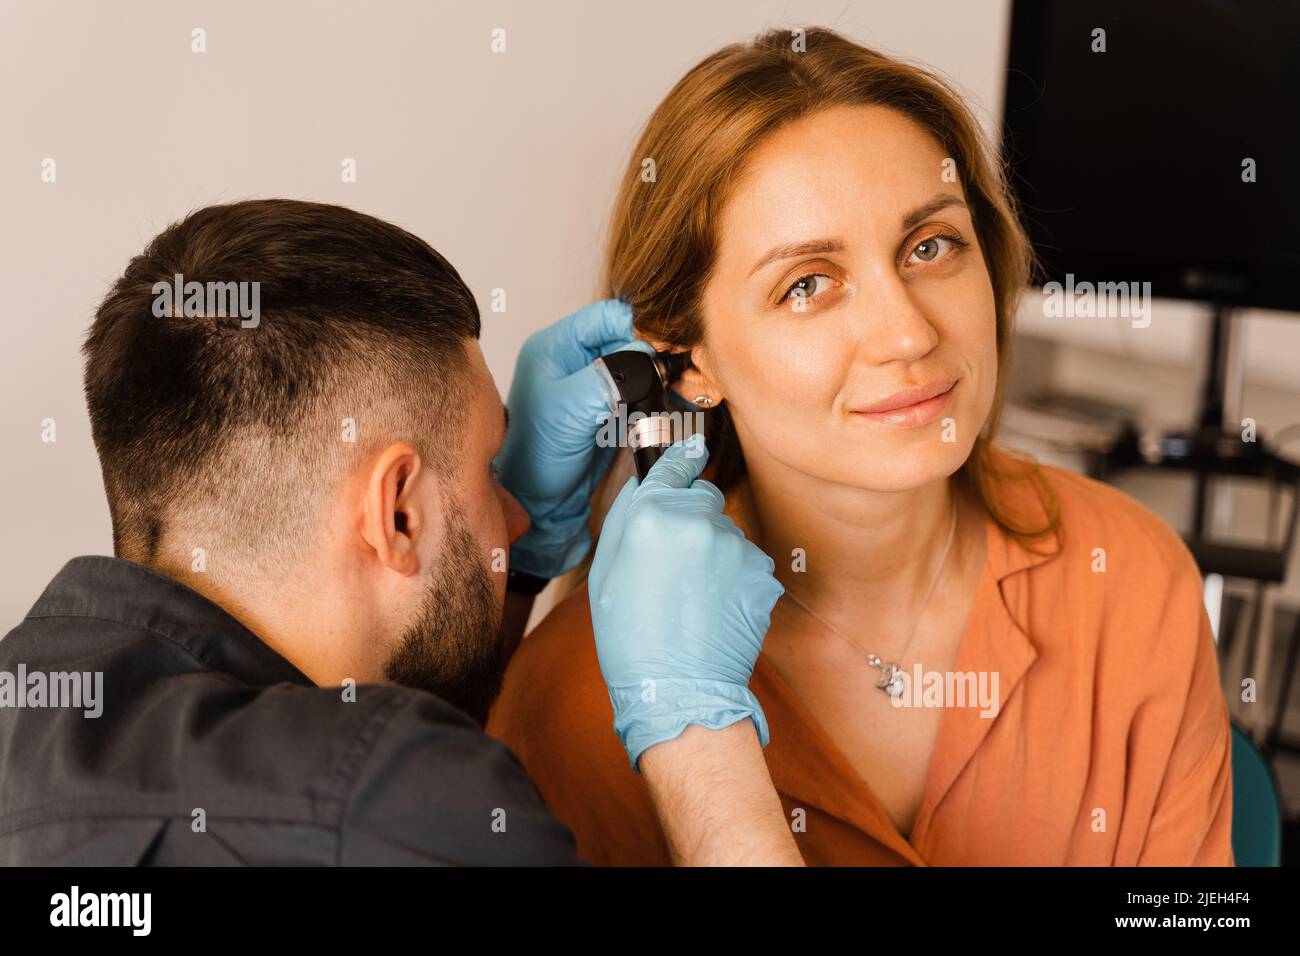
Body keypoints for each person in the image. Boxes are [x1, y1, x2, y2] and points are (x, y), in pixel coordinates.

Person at [487, 27, 1235, 865]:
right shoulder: (593, 689)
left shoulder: (1130, 578)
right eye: (808, 284)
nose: (908, 333)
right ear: (688, 362)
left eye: (931, 246)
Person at [0, 198, 801, 866]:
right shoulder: (392, 806)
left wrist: (515, 569)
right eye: (493, 470)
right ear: (396, 514)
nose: (518, 513)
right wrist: (693, 728)